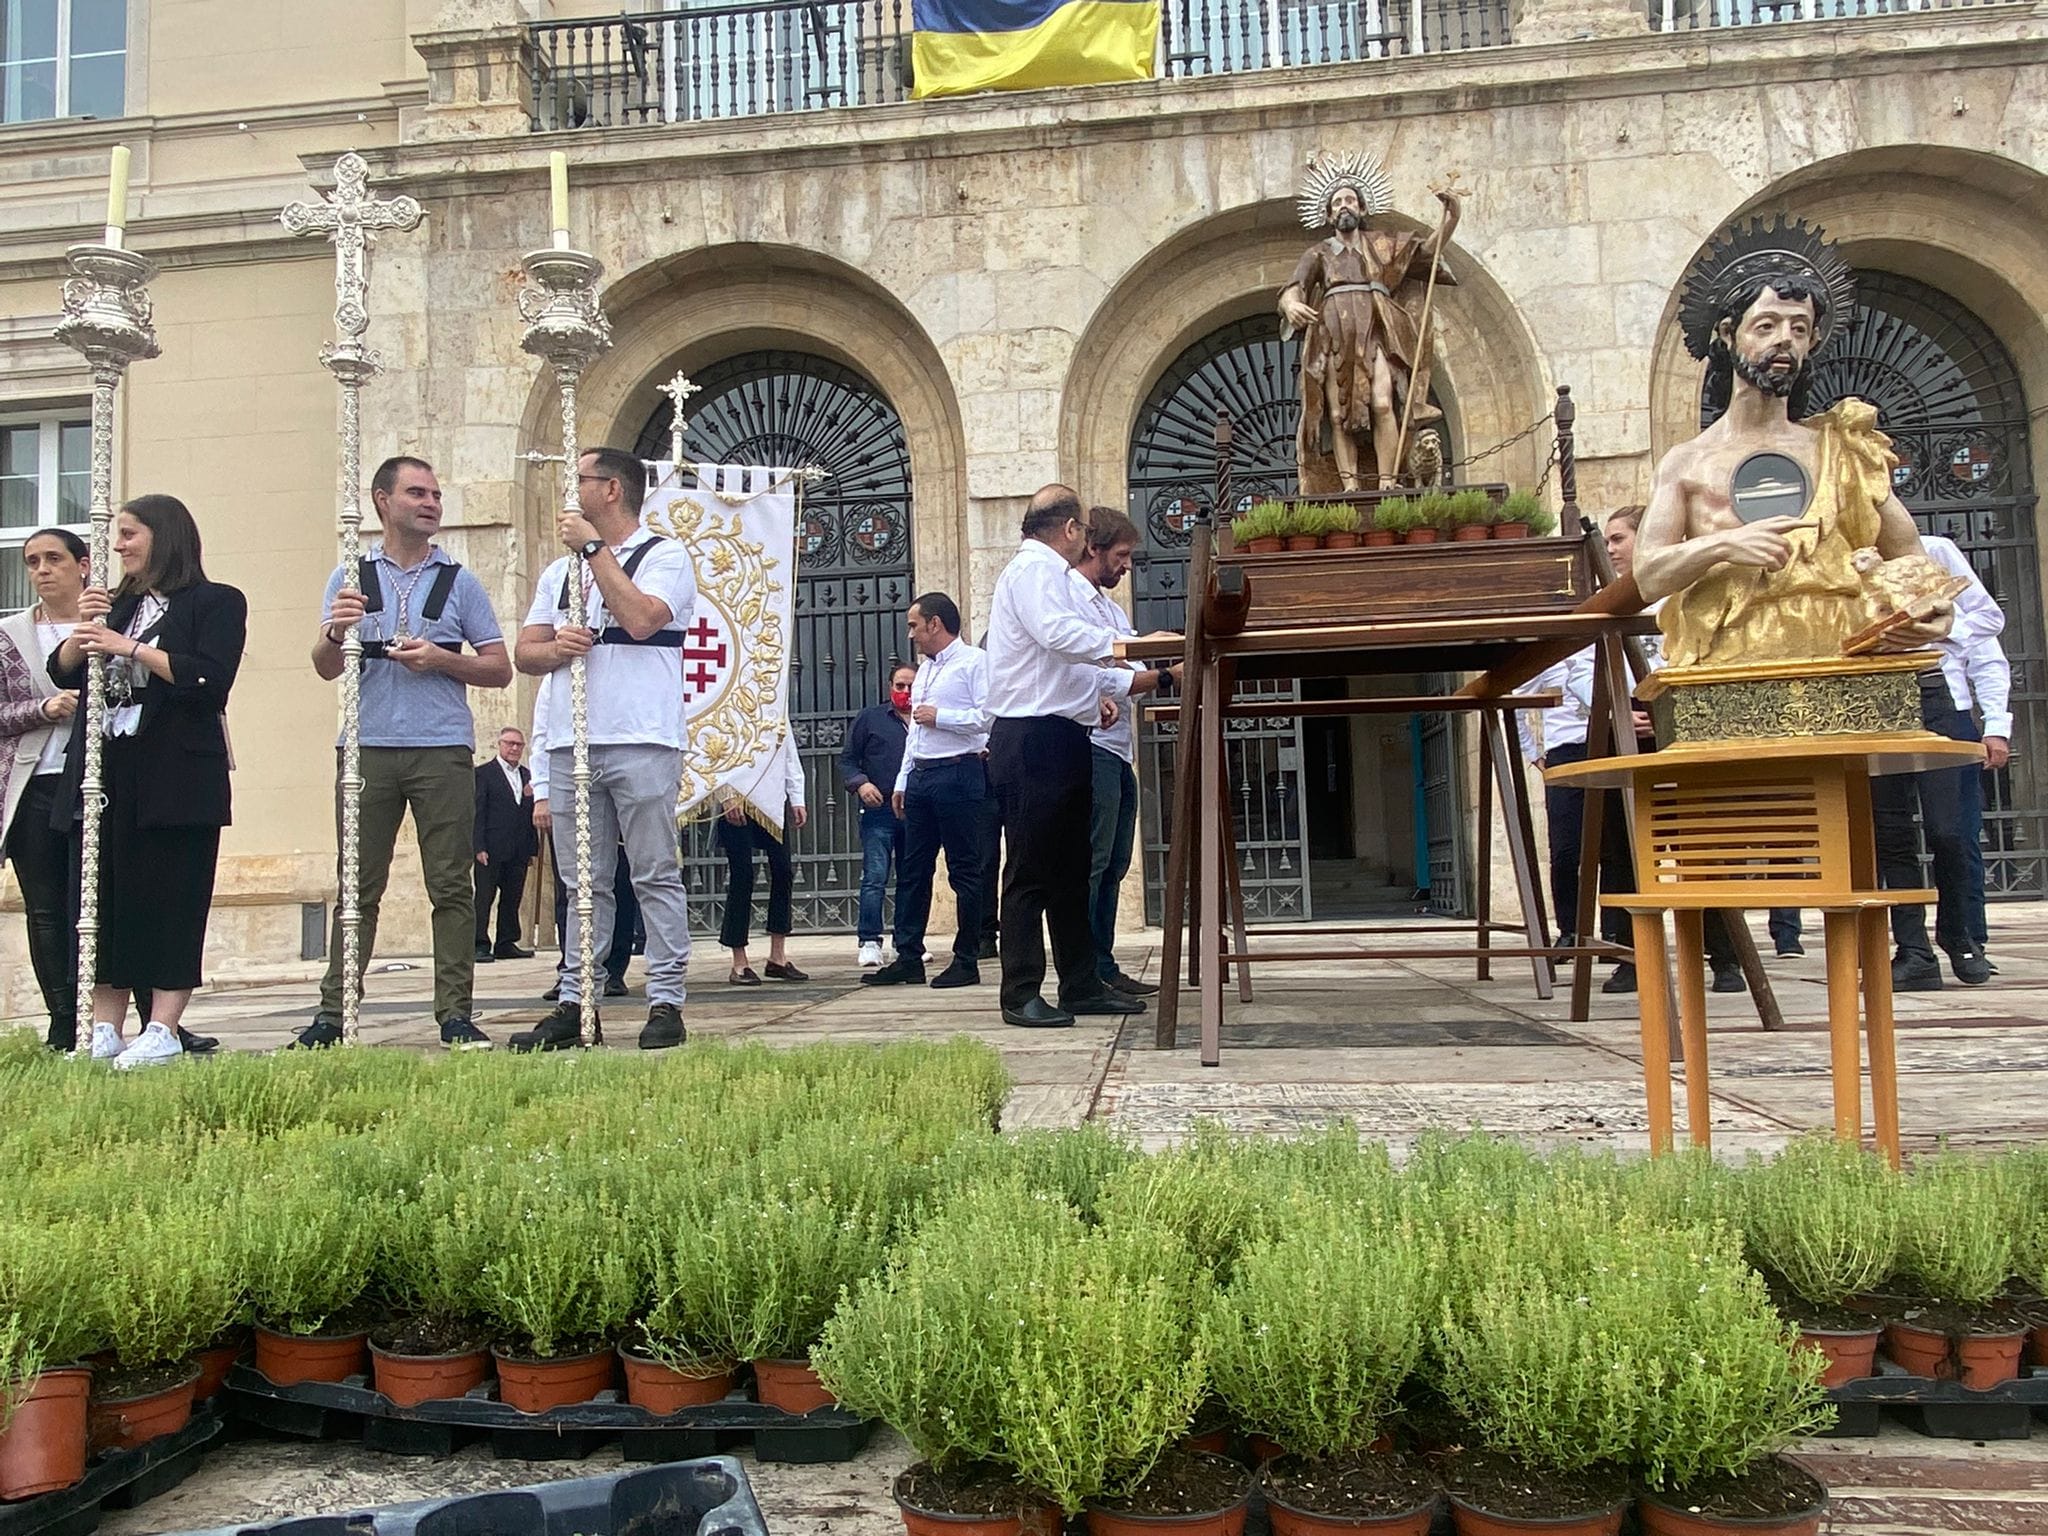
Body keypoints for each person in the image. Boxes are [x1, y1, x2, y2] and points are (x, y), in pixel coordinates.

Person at [297, 457, 509, 1051]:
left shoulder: (459, 580)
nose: (431, 503)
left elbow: (498, 668)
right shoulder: (350, 574)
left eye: (437, 495)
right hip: (365, 745)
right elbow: (324, 668)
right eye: (417, 492)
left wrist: (440, 659)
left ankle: (456, 1013)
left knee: (451, 883)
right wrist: (336, 632)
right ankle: (334, 1012)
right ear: (381, 500)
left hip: (441, 745)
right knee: (358, 883)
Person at [50, 494, 247, 1067]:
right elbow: (61, 669)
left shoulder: (215, 601)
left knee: (172, 897)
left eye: (130, 533)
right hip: (108, 768)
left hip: (175, 773)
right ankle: (105, 1025)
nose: (118, 545)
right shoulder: (114, 603)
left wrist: (131, 648)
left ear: (164, 536)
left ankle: (162, 1027)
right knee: (103, 896)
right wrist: (83, 630)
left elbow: (208, 677)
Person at [512, 445, 696, 1051]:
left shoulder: (665, 556)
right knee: (582, 881)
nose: (573, 491)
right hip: (572, 740)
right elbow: (526, 652)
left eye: (582, 480)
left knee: (652, 871)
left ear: (611, 490)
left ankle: (665, 998)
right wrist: (558, 648)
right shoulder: (557, 573)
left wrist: (595, 551)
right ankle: (577, 998)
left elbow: (643, 619)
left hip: (641, 734)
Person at [983, 487, 1143, 1028]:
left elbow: (1058, 666)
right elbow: (1057, 636)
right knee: (1030, 870)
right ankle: (1020, 991)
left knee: (1072, 870)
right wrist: (1126, 649)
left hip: (1063, 734)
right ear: (1071, 529)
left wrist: (1094, 695)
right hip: (1030, 738)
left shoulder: (1049, 575)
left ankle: (1080, 984)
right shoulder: (1034, 570)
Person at [1599, 505, 1744, 996]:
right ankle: (1631, 956)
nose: (1612, 548)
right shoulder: (1607, 600)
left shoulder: (1688, 594)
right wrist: (1617, 712)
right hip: (1629, 734)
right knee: (1622, 848)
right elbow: (1582, 669)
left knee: (1699, 848)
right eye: (1609, 540)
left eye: (1619, 538)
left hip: (1681, 731)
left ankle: (1724, 955)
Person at [1872, 532, 2006, 991]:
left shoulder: (1934, 550)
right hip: (1873, 704)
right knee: (1890, 836)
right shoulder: (1839, 557)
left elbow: (1988, 621)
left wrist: (1997, 723)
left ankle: (1962, 937)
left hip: (1940, 697)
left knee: (1952, 831)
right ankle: (1912, 951)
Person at [1075, 507, 1179, 997]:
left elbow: (1122, 685)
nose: (1126, 567)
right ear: (1093, 549)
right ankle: (1086, 967)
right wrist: (1159, 673)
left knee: (1115, 862)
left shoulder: (1113, 611)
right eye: (1120, 556)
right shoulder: (1071, 599)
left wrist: (1152, 667)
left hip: (1118, 750)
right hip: (1090, 748)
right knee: (1093, 862)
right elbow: (1088, 675)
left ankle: (1104, 960)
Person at [864, 593, 989, 991]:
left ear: (935, 624)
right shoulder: (926, 671)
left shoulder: (974, 663)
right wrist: (903, 779)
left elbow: (989, 718)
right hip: (921, 777)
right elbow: (916, 730)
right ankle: (908, 956)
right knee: (913, 870)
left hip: (959, 772)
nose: (911, 634)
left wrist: (944, 717)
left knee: (965, 870)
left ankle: (967, 958)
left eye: (915, 625)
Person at [0, 530, 86, 1052]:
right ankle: (62, 1018)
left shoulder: (115, 618)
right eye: (32, 562)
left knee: (109, 901)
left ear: (83, 564)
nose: (42, 570)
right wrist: (42, 709)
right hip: (35, 783)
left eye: (53, 559)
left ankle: (146, 1013)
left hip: (103, 779)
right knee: (48, 908)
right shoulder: (11, 634)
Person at [530, 688, 635, 1003]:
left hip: (622, 776)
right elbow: (542, 735)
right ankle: (573, 970)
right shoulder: (559, 673)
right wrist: (542, 793)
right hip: (574, 779)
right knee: (573, 889)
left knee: (621, 885)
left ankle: (614, 968)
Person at [839, 664, 913, 970]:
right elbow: (847, 761)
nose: (905, 693)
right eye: (900, 686)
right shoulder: (870, 719)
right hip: (879, 808)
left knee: (912, 880)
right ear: (889, 688)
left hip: (916, 811)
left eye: (910, 687)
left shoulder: (927, 720)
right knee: (875, 877)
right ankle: (869, 941)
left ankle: (907, 942)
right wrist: (861, 783)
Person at [717, 749, 809, 985]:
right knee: (742, 875)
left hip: (772, 798)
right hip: (736, 795)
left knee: (783, 870)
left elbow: (788, 753)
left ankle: (777, 956)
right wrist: (725, 792)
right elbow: (713, 751)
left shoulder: (777, 710)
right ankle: (739, 961)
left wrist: (797, 797)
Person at [474, 725, 538, 964]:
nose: (514, 748)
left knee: (512, 897)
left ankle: (506, 942)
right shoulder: (483, 774)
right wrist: (478, 846)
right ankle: (479, 943)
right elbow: (477, 811)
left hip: (518, 848)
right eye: (509, 743)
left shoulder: (528, 776)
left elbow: (529, 814)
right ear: (499, 745)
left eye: (518, 744)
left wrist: (531, 849)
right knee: (484, 897)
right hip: (490, 847)